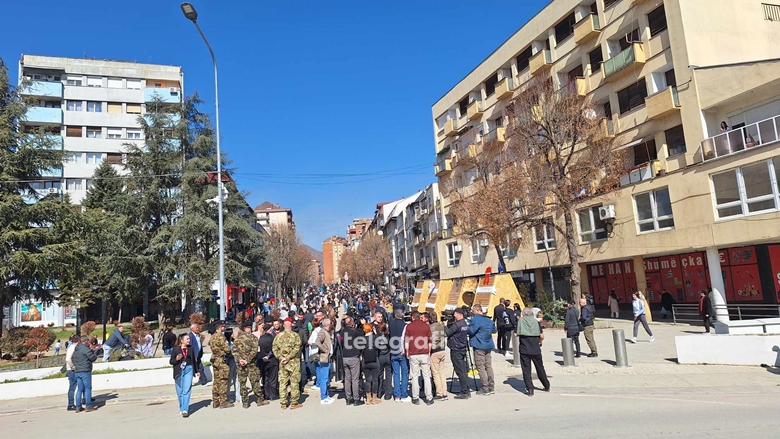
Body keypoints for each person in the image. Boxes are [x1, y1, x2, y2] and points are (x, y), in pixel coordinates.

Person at [234, 321, 269, 408]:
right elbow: (255, 351)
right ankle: (259, 400)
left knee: (242, 384)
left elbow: (234, 351)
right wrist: (247, 360)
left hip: (241, 365)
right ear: (249, 328)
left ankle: (245, 402)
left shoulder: (238, 339)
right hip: (251, 364)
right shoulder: (253, 338)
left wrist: (241, 359)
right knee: (255, 382)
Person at [517, 307, 550, 396]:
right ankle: (546, 385)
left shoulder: (520, 321)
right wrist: (540, 342)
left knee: (526, 369)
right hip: (535, 349)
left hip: (524, 349)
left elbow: (516, 334)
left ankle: (530, 389)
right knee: (540, 367)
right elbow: (542, 336)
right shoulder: (536, 322)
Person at [273, 318, 303, 410]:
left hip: (282, 363)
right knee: (294, 382)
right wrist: (288, 357)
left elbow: (274, 348)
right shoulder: (295, 336)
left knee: (283, 382)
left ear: (283, 325)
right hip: (293, 362)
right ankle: (294, 402)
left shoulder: (278, 336)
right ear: (291, 325)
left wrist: (281, 358)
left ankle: (283, 403)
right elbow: (297, 348)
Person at [405, 311, 433, 405]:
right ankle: (429, 397)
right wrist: (428, 351)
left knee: (414, 376)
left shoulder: (409, 326)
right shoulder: (426, 326)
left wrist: (407, 351)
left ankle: (415, 397)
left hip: (414, 353)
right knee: (426, 375)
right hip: (424, 353)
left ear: (412, 317)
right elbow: (430, 341)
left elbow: (407, 341)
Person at [468, 305, 496, 396]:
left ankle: (485, 387)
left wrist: (467, 326)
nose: (472, 312)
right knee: (488, 365)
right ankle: (491, 385)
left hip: (479, 345)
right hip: (488, 345)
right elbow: (494, 330)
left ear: (476, 310)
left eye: (473, 310)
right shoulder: (488, 320)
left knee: (480, 367)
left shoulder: (476, 319)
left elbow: (471, 331)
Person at [170, 333, 200, 417]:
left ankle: (185, 410)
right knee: (180, 391)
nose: (189, 340)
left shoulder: (191, 348)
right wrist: (176, 359)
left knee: (186, 390)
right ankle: (181, 406)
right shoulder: (176, 349)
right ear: (182, 340)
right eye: (187, 339)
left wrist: (197, 371)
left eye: (189, 339)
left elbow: (194, 360)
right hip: (178, 370)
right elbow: (171, 361)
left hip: (189, 369)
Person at [444, 308, 471, 399]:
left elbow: (447, 333)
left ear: (458, 314)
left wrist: (445, 326)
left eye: (455, 314)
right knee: (463, 370)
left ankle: (464, 391)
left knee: (460, 371)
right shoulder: (464, 323)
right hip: (462, 348)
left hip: (456, 349)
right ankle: (466, 389)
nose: (454, 315)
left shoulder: (457, 324)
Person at [339, 316, 364, 406]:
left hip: (345, 356)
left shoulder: (342, 332)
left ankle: (348, 398)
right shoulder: (355, 332)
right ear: (352, 324)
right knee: (355, 379)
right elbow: (362, 339)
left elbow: (340, 341)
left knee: (347, 378)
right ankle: (356, 398)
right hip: (353, 356)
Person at [423, 311, 447, 401]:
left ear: (429, 318)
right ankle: (444, 391)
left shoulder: (430, 327)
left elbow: (429, 339)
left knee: (435, 373)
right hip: (442, 349)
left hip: (435, 351)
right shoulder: (441, 325)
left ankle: (439, 393)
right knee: (442, 372)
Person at [209, 320, 233, 409]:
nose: (224, 328)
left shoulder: (212, 337)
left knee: (216, 381)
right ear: (219, 328)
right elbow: (226, 348)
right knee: (223, 381)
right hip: (222, 361)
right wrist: (230, 352)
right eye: (223, 326)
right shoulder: (221, 337)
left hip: (215, 360)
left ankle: (215, 401)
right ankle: (223, 402)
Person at [388, 308, 410, 402]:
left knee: (396, 374)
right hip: (402, 351)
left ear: (395, 315)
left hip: (393, 350)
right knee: (404, 374)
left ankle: (397, 396)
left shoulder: (390, 325)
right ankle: (404, 394)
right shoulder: (405, 326)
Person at [72, 336, 97, 412]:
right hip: (85, 371)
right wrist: (94, 351)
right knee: (87, 388)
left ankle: (78, 407)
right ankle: (88, 405)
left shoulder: (76, 349)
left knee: (79, 389)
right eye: (88, 341)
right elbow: (93, 358)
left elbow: (73, 359)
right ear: (85, 341)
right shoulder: (85, 349)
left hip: (77, 371)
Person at [314, 318, 335, 405]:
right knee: (324, 378)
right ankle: (323, 397)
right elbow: (317, 342)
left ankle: (326, 395)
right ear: (328, 324)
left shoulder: (327, 332)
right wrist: (325, 349)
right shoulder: (322, 332)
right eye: (331, 323)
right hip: (324, 357)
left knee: (325, 378)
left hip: (328, 357)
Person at [258, 320, 279, 401]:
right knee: (273, 379)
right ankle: (273, 395)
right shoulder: (272, 338)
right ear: (270, 329)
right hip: (272, 361)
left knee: (266, 378)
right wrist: (269, 356)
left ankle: (266, 395)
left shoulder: (261, 338)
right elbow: (274, 349)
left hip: (263, 362)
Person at [362, 321, 381, 405]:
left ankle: (368, 397)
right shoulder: (375, 338)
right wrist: (376, 333)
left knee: (367, 379)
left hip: (365, 361)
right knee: (375, 379)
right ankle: (374, 397)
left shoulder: (361, 339)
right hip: (374, 360)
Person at [374, 321, 392, 401]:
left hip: (380, 356)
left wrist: (375, 334)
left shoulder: (377, 337)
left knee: (380, 375)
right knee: (388, 375)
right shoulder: (388, 335)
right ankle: (388, 394)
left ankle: (379, 393)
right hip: (387, 355)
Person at [65, 335, 79, 411]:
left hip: (71, 369)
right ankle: (70, 404)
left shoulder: (73, 347)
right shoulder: (72, 348)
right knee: (72, 387)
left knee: (75, 386)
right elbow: (68, 359)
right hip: (71, 370)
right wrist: (72, 366)